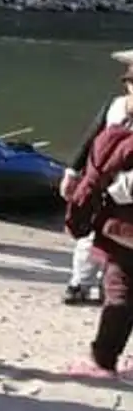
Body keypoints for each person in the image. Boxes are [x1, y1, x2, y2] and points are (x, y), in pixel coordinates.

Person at [58, 49, 133, 305]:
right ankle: (80, 283)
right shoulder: (114, 107)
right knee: (91, 233)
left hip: (120, 186)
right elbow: (90, 139)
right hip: (104, 183)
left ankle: (99, 284)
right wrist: (72, 172)